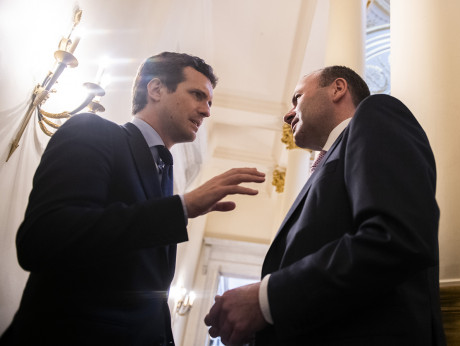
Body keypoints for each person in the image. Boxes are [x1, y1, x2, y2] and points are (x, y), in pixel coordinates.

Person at [0, 52, 265, 346]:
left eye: (209, 102)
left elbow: (147, 293)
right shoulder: (93, 131)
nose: (206, 111)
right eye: (197, 95)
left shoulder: (165, 173)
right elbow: (43, 238)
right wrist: (182, 207)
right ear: (156, 90)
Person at [204, 66, 446, 345]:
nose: (287, 114)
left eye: (297, 98)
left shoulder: (377, 113)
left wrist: (266, 300)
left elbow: (396, 237)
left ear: (337, 88)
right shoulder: (323, 164)